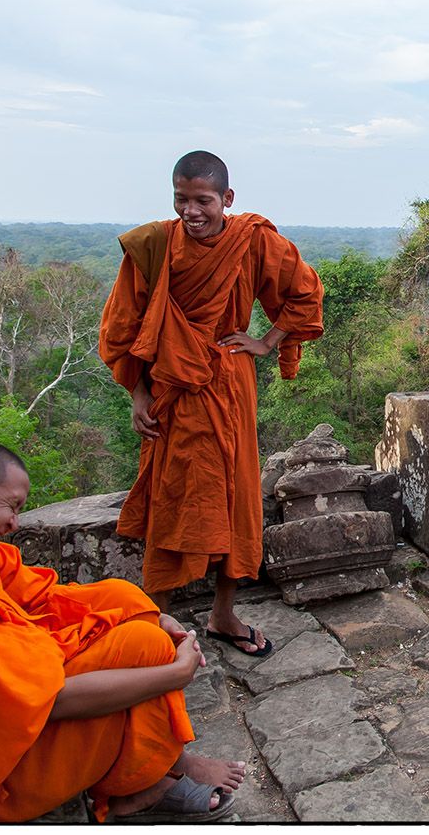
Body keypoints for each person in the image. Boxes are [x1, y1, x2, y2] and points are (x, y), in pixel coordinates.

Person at [0, 436, 246, 823]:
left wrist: (156, 615)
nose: (14, 524)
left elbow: (47, 597)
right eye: (11, 507)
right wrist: (173, 675)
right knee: (148, 651)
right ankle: (145, 784)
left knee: (129, 605)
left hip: (23, 699)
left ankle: (155, 769)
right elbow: (53, 701)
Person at [99, 151, 323, 655]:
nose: (191, 211)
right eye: (182, 199)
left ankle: (223, 615)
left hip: (228, 385)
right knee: (171, 497)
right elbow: (122, 326)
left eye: (203, 200)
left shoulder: (252, 240)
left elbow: (304, 292)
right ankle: (156, 622)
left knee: (235, 498)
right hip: (171, 394)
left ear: (227, 199)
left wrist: (266, 342)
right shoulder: (152, 246)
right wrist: (138, 393)